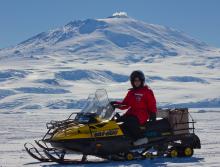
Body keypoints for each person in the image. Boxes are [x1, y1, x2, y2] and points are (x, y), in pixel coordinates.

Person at [111, 70, 157, 146]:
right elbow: (125, 104)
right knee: (119, 121)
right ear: (132, 82)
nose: (137, 82)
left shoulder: (146, 91)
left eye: (139, 80)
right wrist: (115, 104)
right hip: (132, 112)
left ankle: (141, 138)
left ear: (142, 81)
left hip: (142, 114)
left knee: (130, 121)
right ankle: (122, 140)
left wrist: (153, 113)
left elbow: (152, 104)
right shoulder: (131, 92)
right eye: (135, 80)